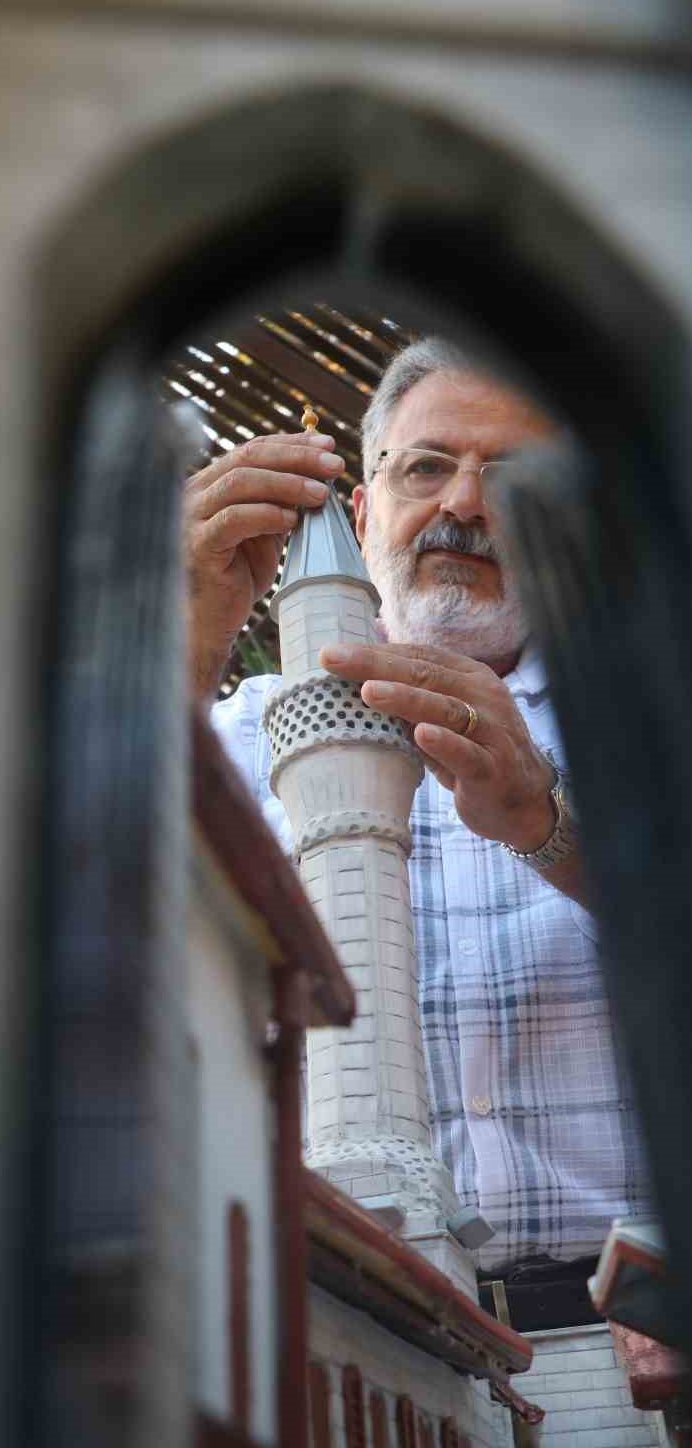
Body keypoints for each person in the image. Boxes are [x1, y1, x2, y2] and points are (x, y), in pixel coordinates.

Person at [188, 336, 651, 1318]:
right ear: (360, 512)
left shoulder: (649, 729)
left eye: (514, 485)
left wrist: (546, 819)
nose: (465, 505)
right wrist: (181, 645)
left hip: (635, 1335)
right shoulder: (220, 734)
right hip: (335, 1319)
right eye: (426, 466)